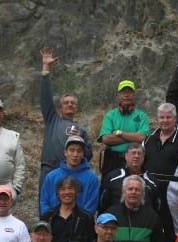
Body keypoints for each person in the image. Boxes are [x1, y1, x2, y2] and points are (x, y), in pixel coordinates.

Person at [143, 102, 178, 242]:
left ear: (175, 119)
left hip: (172, 191)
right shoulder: (148, 139)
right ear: (158, 119)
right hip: (149, 189)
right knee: (149, 226)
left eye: (168, 117)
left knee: (172, 230)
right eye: (162, 117)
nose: (165, 120)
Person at [38, 47, 93, 190]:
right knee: (47, 209)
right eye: (66, 102)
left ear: (76, 108)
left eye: (72, 103)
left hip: (72, 172)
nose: (69, 105)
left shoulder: (81, 130)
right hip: (49, 170)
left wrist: (79, 140)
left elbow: (88, 155)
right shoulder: (52, 120)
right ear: (60, 106)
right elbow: (45, 98)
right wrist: (45, 68)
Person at [98, 79, 150, 175]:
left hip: (135, 160)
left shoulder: (142, 115)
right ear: (119, 95)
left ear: (134, 95)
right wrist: (133, 137)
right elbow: (106, 139)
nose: (126, 95)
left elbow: (143, 138)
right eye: (123, 92)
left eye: (129, 92)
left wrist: (119, 133)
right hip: (113, 160)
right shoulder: (110, 115)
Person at [40, 135, 99, 215]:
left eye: (79, 151)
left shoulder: (92, 179)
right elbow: (44, 202)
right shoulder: (51, 177)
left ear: (83, 153)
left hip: (80, 225)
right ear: (65, 152)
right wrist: (50, 219)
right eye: (72, 150)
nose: (75, 154)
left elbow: (91, 206)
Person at [40, 176, 95, 242]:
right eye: (63, 189)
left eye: (70, 188)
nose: (67, 192)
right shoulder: (47, 217)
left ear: (76, 192)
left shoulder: (86, 218)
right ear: (58, 193)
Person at [99, 143, 161, 214]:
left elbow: (157, 207)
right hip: (116, 221)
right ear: (126, 156)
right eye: (133, 153)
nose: (136, 156)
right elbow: (102, 204)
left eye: (139, 153)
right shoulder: (112, 178)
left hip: (144, 222)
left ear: (143, 157)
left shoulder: (152, 181)